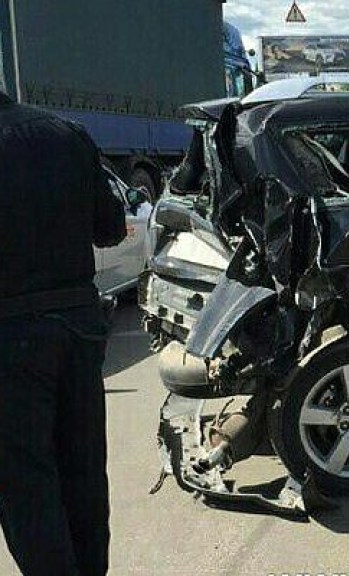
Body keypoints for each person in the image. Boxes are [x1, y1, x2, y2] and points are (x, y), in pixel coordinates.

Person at [0, 91, 126, 575]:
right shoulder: (67, 133)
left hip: (9, 338)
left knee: (26, 484)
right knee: (84, 473)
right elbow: (110, 227)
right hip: (78, 330)